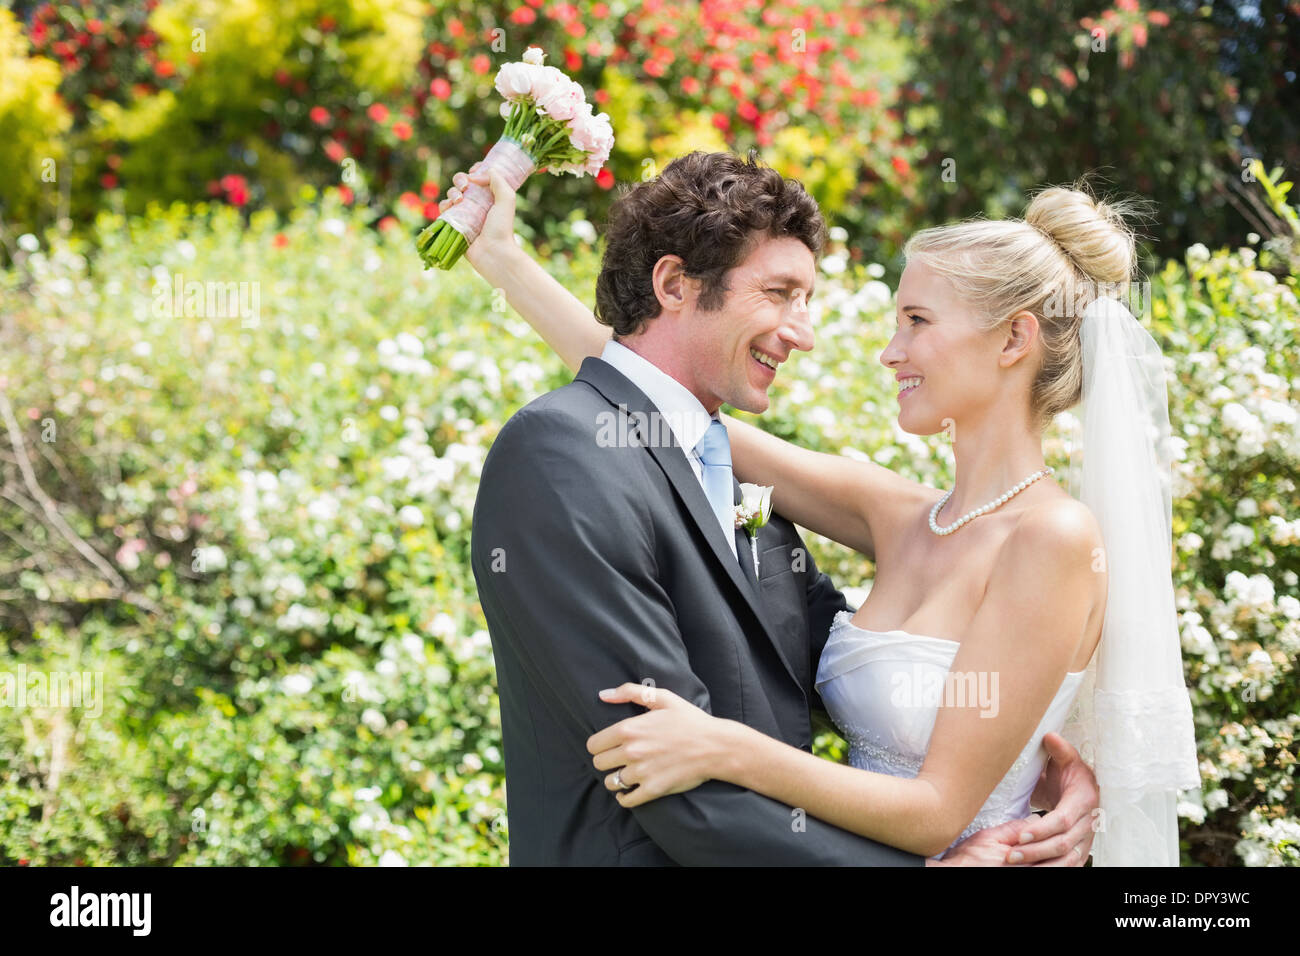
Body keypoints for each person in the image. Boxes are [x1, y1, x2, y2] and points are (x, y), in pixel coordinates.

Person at [456, 151, 1107, 866]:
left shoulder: (1051, 536)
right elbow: (645, 386)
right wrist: (503, 261)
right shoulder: (892, 515)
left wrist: (1032, 765)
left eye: (917, 320)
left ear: (1015, 338)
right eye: (780, 295)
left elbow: (662, 396)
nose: (888, 353)